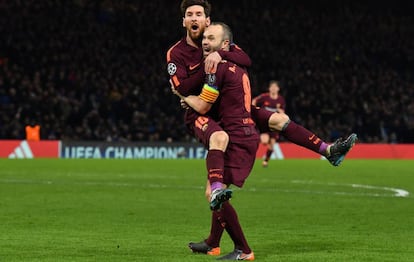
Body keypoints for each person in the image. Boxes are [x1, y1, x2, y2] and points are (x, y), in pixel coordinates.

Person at [172, 22, 257, 260]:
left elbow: (201, 105)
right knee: (214, 190)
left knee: (214, 191)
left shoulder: (218, 67)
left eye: (211, 38)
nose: (205, 42)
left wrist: (185, 96)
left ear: (225, 45)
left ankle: (244, 250)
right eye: (205, 39)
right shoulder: (234, 62)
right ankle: (213, 243)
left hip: (233, 132)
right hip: (238, 129)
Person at [166, 0, 252, 216]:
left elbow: (245, 58)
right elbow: (181, 87)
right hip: (197, 112)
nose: (194, 18)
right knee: (219, 138)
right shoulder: (176, 54)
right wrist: (207, 67)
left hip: (224, 110)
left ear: (207, 20)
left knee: (272, 118)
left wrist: (219, 54)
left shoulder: (217, 39)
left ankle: (214, 242)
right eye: (189, 14)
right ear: (184, 21)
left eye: (198, 14)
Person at [252, 80, 286, 167]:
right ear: (269, 89)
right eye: (272, 87)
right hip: (264, 124)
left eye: (275, 87)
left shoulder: (280, 100)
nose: (273, 89)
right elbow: (254, 101)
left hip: (275, 125)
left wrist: (279, 110)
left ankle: (266, 161)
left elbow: (283, 112)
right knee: (264, 141)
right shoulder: (265, 97)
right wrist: (254, 109)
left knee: (271, 146)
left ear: (278, 89)